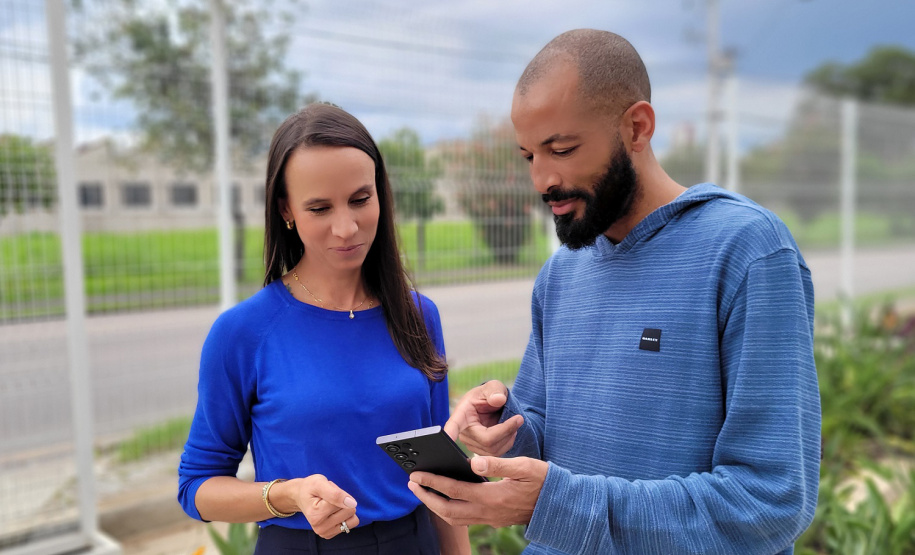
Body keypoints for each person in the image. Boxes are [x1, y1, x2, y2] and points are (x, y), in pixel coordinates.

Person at [407, 29, 821, 555]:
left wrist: (553, 504)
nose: (541, 179)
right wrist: (506, 424)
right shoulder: (561, 273)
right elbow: (546, 434)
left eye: (561, 149)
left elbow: (770, 501)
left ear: (637, 127)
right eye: (528, 155)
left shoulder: (747, 252)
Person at [178, 103, 470, 554]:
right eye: (319, 208)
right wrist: (287, 494)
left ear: (381, 194)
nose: (346, 227)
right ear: (286, 211)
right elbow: (197, 486)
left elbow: (440, 476)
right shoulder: (243, 332)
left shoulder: (418, 316)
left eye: (360, 199)